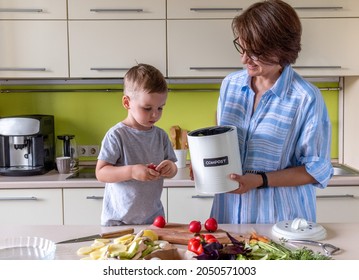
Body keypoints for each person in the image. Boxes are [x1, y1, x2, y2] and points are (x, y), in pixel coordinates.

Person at [210, 0, 333, 224]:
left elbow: (316, 169)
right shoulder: (230, 85)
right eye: (242, 47)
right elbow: (223, 140)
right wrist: (207, 166)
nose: (244, 59)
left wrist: (259, 180)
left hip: (281, 221)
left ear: (282, 50)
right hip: (228, 216)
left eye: (255, 52)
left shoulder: (305, 98)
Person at [96, 63, 178, 226]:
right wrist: (132, 171)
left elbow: (173, 169)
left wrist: (170, 168)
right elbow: (101, 173)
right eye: (147, 108)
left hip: (153, 220)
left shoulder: (160, 136)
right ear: (127, 103)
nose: (155, 114)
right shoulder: (116, 135)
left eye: (160, 108)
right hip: (118, 222)